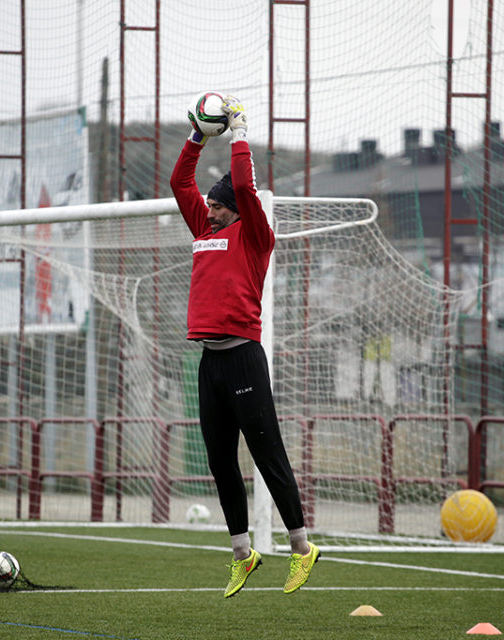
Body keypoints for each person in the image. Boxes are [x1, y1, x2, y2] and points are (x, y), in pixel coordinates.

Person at [169, 94, 320, 598]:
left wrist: (237, 133)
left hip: (244, 358)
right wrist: (196, 137)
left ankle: (302, 549)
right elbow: (178, 183)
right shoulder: (202, 229)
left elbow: (244, 188)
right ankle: (242, 554)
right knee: (218, 460)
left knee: (266, 452)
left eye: (216, 205)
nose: (206, 211)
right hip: (210, 362)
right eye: (207, 205)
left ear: (234, 209)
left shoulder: (254, 235)